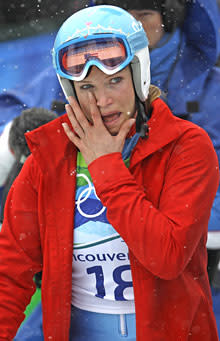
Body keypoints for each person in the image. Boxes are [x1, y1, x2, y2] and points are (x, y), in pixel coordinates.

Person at [0, 4, 219, 340]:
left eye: (115, 81)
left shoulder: (186, 146)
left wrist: (105, 165)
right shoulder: (50, 156)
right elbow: (10, 274)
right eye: (86, 88)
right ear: (70, 90)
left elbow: (167, 258)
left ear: (139, 75)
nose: (102, 100)